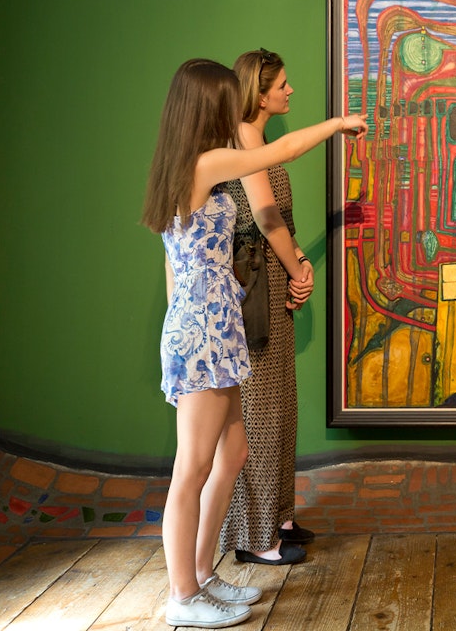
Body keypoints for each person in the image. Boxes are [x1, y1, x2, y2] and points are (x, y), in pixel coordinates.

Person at [141, 58, 365, 628]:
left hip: (214, 324)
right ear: (204, 105)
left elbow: (175, 266)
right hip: (203, 329)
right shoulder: (205, 162)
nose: (230, 106)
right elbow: (281, 153)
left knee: (232, 455)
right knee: (190, 468)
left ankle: (203, 576)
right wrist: (337, 124)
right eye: (223, 98)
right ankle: (181, 595)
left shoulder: (189, 167)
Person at [220, 48, 325, 566]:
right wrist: (300, 269)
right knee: (259, 409)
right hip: (254, 288)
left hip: (272, 274)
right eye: (282, 84)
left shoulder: (255, 137)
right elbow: (265, 218)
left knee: (280, 401)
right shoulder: (244, 138)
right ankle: (255, 537)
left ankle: (279, 516)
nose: (289, 91)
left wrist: (298, 262)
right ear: (260, 94)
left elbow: (281, 221)